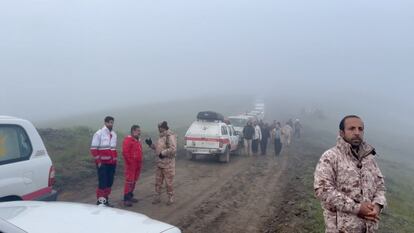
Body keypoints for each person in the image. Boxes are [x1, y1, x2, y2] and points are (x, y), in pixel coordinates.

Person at [314, 115, 386, 233]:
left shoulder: (369, 159)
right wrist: (357, 208)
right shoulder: (331, 157)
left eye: (360, 129)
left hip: (370, 229)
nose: (357, 132)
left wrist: (377, 206)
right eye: (352, 129)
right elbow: (322, 190)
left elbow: (380, 186)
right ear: (342, 133)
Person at [145, 121, 177, 205]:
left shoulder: (170, 136)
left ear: (164, 127)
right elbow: (158, 149)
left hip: (168, 164)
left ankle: (171, 198)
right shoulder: (161, 136)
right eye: (158, 127)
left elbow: (173, 149)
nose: (159, 129)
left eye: (160, 127)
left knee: (168, 183)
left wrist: (163, 153)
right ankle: (157, 197)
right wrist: (151, 144)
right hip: (159, 163)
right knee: (158, 182)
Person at [90, 116, 117, 207]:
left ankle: (106, 201)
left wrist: (115, 160)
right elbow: (93, 149)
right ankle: (100, 202)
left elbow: (113, 149)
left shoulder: (114, 134)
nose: (111, 124)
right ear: (105, 123)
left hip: (112, 163)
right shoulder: (99, 134)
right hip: (102, 163)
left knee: (110, 182)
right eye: (109, 122)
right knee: (103, 182)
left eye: (112, 122)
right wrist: (99, 162)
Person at [121, 125, 143, 207]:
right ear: (133, 131)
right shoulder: (128, 140)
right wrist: (130, 163)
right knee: (129, 181)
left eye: (139, 130)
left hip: (137, 164)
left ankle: (130, 196)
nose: (139, 132)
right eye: (138, 130)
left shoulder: (137, 140)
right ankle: (126, 199)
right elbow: (125, 153)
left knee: (134, 180)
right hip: (131, 164)